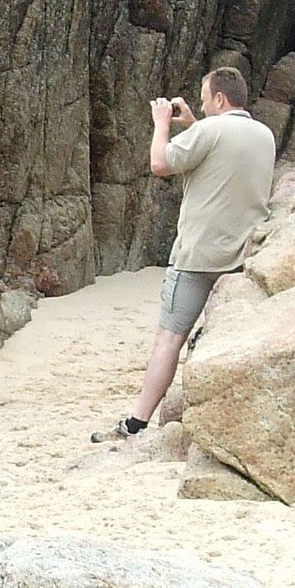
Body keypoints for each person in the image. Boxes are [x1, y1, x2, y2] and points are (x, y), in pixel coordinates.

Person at [91, 66, 276, 442]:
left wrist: (162, 123)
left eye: (206, 98)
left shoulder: (210, 130)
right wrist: (192, 123)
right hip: (241, 257)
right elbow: (218, 151)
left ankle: (136, 423)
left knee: (169, 340)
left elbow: (161, 164)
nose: (203, 105)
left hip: (196, 257)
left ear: (220, 99)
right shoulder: (264, 134)